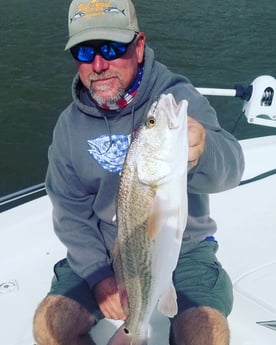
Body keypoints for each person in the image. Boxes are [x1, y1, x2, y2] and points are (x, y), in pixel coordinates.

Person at [33, 0, 244, 344]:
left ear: (140, 45)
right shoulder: (68, 127)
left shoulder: (175, 99)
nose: (99, 64)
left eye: (113, 48)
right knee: (50, 326)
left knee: (208, 334)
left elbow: (233, 169)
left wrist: (202, 151)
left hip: (185, 246)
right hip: (106, 249)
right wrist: (99, 275)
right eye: (85, 53)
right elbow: (69, 211)